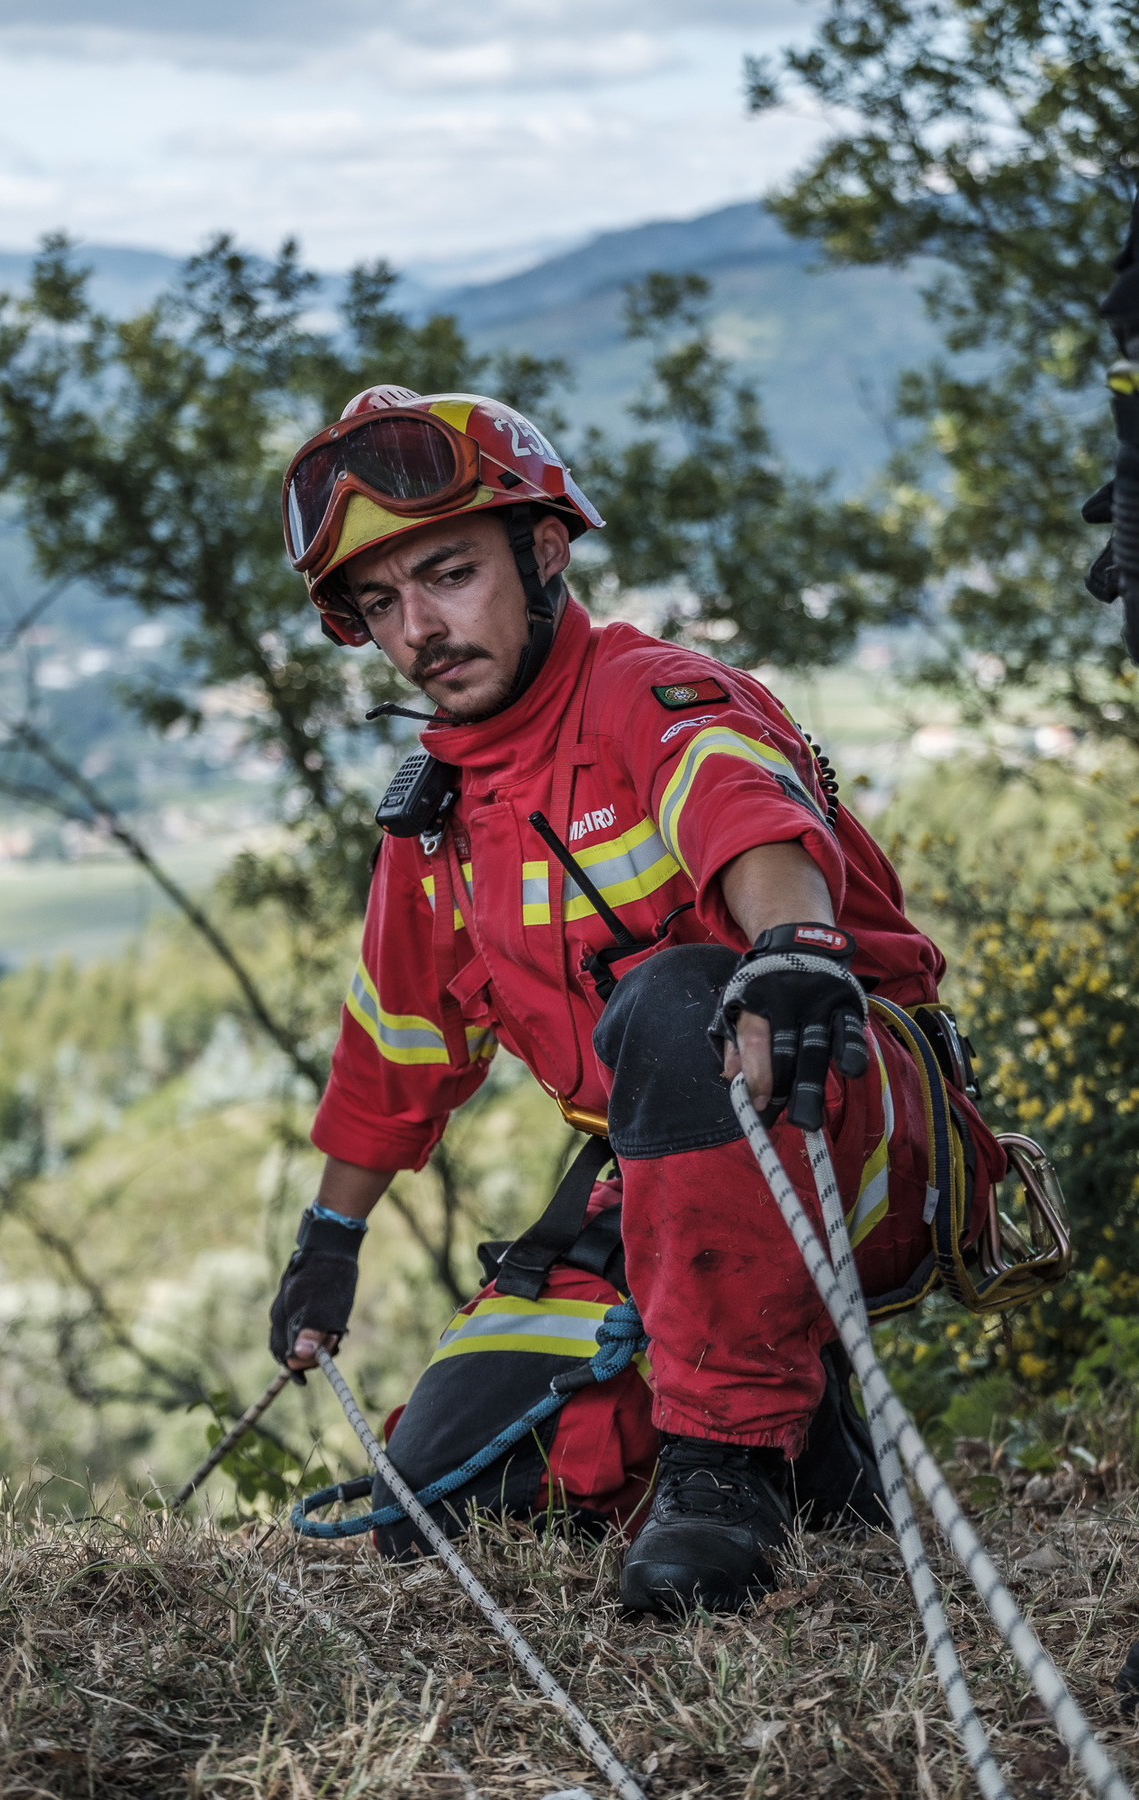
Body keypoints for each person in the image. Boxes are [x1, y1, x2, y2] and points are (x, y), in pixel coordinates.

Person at [269, 385, 1006, 1614]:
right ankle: (810, 1449)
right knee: (436, 1493)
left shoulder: (651, 695)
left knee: (679, 999)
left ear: (543, 552)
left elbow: (745, 813)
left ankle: (725, 1473)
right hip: (657, 1182)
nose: (419, 630)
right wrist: (328, 1241)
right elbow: (395, 1042)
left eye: (448, 575)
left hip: (842, 1108)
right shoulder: (439, 818)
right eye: (383, 604)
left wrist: (792, 947)